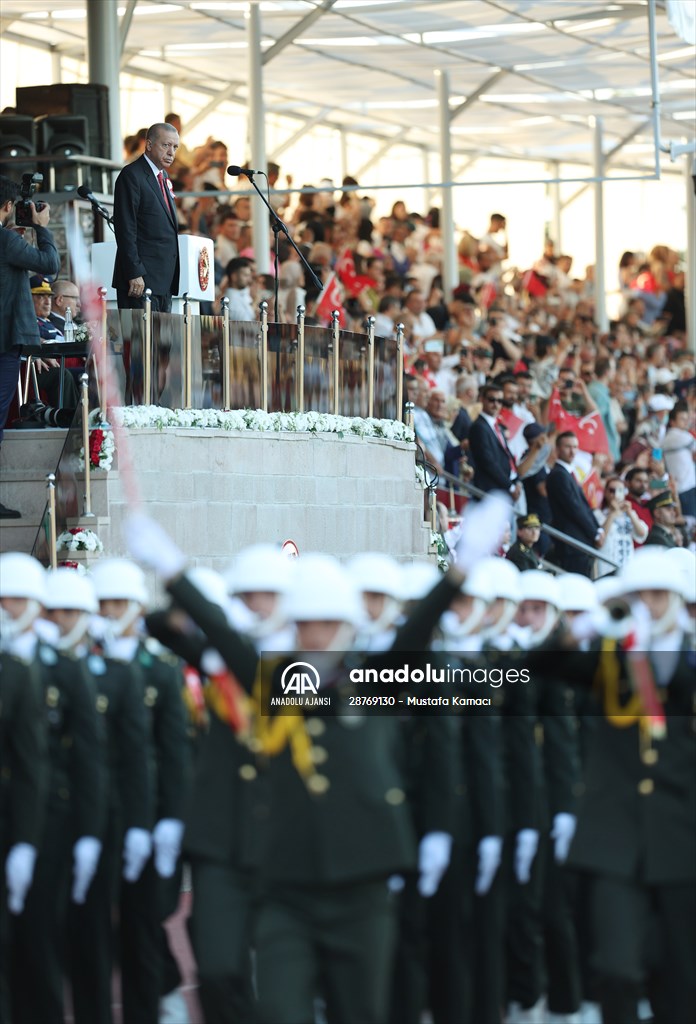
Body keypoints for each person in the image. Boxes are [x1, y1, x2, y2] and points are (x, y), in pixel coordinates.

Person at [0, 174, 60, 518]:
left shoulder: (8, 241)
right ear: (9, 206)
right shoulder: (7, 241)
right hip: (5, 342)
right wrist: (42, 228)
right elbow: (50, 266)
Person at [112, 122, 181, 313]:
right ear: (149, 145)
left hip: (163, 280)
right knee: (140, 342)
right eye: (166, 145)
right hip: (140, 280)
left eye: (175, 147)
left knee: (161, 342)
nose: (171, 152)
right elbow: (125, 228)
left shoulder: (163, 176)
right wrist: (134, 272)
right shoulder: (132, 175)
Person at [546, 431, 603, 577]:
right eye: (568, 447)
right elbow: (574, 508)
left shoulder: (568, 473)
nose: (572, 451)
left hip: (579, 543)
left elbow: (584, 505)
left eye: (575, 447)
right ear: (557, 449)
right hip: (572, 544)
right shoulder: (558, 474)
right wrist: (594, 533)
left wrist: (598, 529)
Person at [593, 477, 648, 577]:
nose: (615, 494)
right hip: (607, 564)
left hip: (627, 564)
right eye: (611, 490)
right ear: (605, 492)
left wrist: (630, 513)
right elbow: (599, 539)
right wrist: (612, 514)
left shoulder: (630, 513)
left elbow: (642, 533)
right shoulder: (598, 514)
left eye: (620, 490)